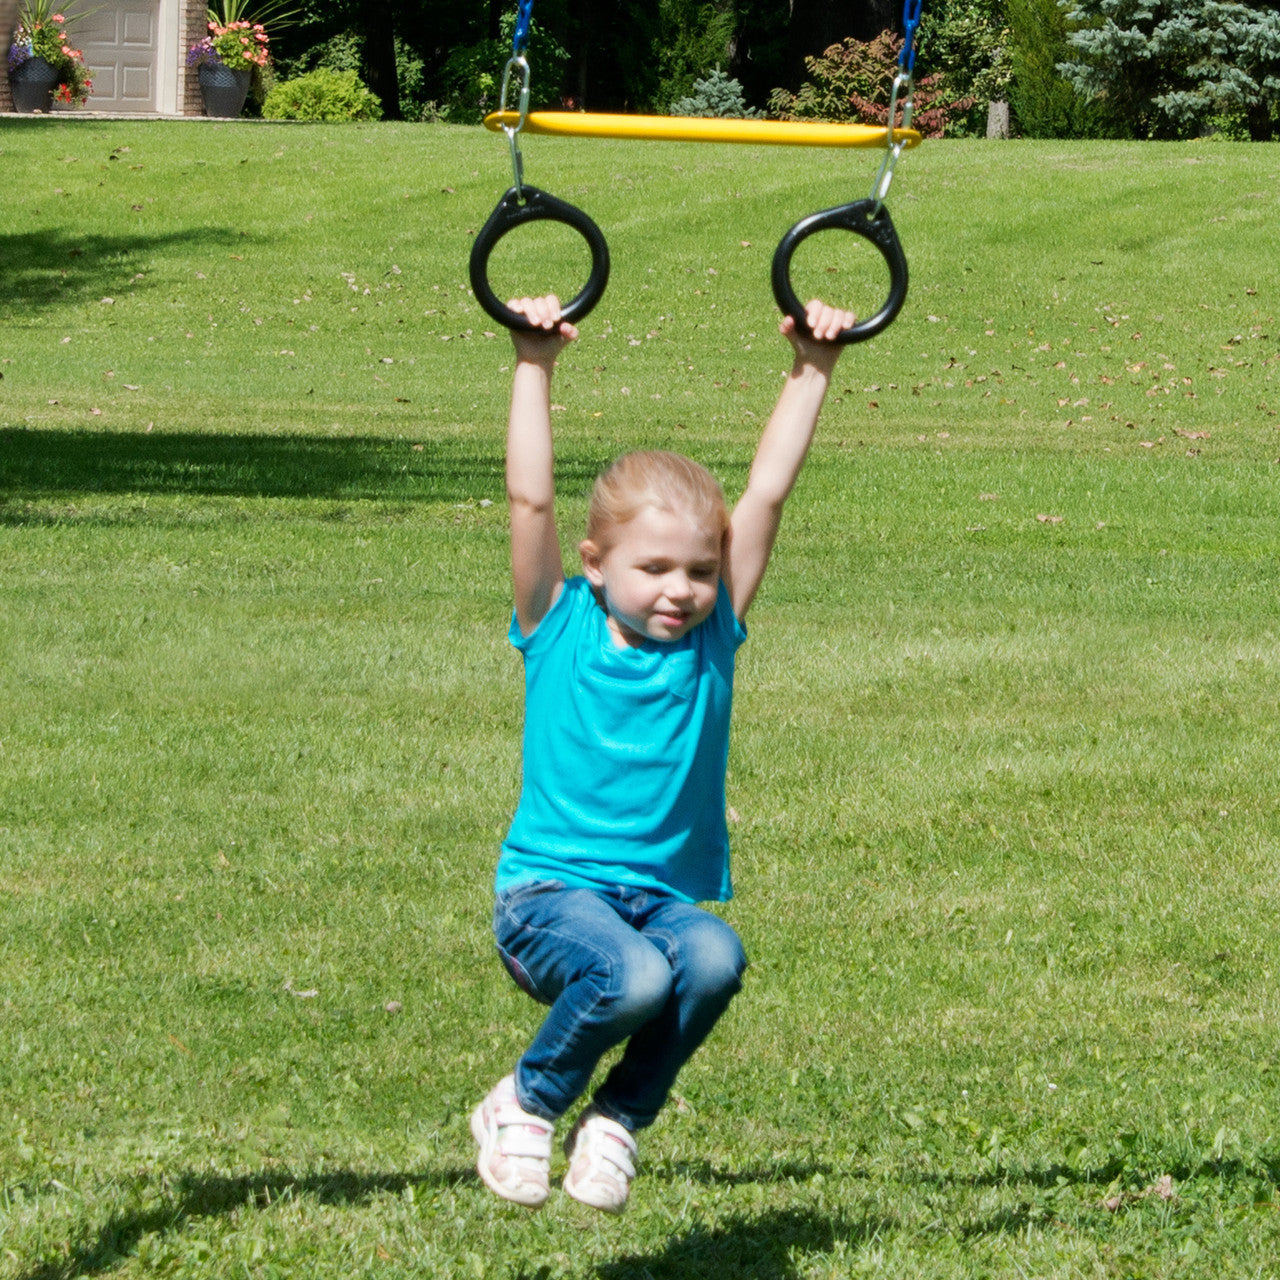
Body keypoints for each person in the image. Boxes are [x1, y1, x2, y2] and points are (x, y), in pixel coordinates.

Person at [472, 293, 856, 1213]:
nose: (680, 591)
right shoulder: (556, 623)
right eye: (652, 569)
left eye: (698, 571)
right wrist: (534, 360)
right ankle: (524, 1103)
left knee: (715, 955)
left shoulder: (712, 639)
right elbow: (531, 496)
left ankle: (616, 1119)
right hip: (549, 901)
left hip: (655, 903)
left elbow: (764, 494)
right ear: (596, 563)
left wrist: (813, 369)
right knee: (635, 976)